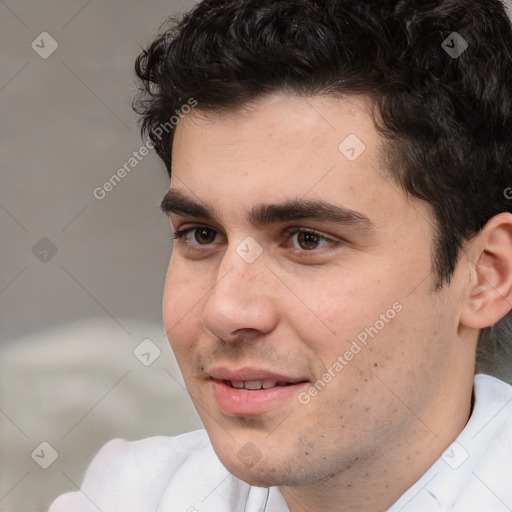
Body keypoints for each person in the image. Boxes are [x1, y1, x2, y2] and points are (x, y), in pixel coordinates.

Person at [50, 0, 512, 510]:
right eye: (201, 234)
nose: (224, 311)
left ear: (486, 276)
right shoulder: (130, 497)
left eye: (308, 239)